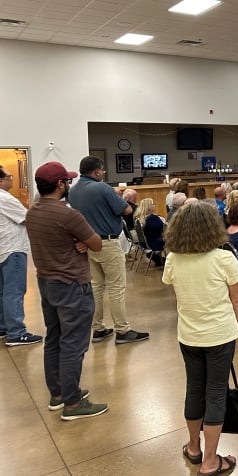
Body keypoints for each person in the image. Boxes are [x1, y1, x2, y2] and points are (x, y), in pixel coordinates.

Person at [162, 201, 238, 476]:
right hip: (220, 333)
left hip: (189, 333)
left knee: (194, 388)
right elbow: (237, 299)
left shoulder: (173, 258)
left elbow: (178, 295)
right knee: (216, 392)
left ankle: (194, 447)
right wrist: (232, 325)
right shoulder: (224, 259)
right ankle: (210, 461)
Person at [26, 161, 107, 419]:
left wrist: (79, 241)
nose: (69, 184)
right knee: (73, 344)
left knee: (54, 338)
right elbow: (97, 244)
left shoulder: (33, 212)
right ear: (60, 184)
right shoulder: (68, 215)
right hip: (73, 284)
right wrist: (82, 240)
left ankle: (58, 394)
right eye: (67, 181)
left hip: (47, 282)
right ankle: (73, 404)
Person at [68, 156, 149, 344]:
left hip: (88, 243)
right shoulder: (103, 188)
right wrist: (116, 197)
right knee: (116, 287)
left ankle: (97, 328)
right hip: (108, 242)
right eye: (102, 170)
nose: (103, 173)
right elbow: (127, 211)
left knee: (96, 287)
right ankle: (122, 330)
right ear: (97, 171)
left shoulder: (73, 191)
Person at [0, 166, 42, 346]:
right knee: (14, 291)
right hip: (13, 249)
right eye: (9, 176)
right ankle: (16, 332)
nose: (12, 179)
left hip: (3, 249)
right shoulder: (5, 198)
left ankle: (4, 327)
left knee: (4, 291)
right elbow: (27, 219)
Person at [133, 198, 166, 266]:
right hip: (155, 242)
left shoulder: (139, 218)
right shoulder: (152, 218)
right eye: (153, 204)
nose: (154, 205)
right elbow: (162, 228)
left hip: (145, 243)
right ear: (149, 206)